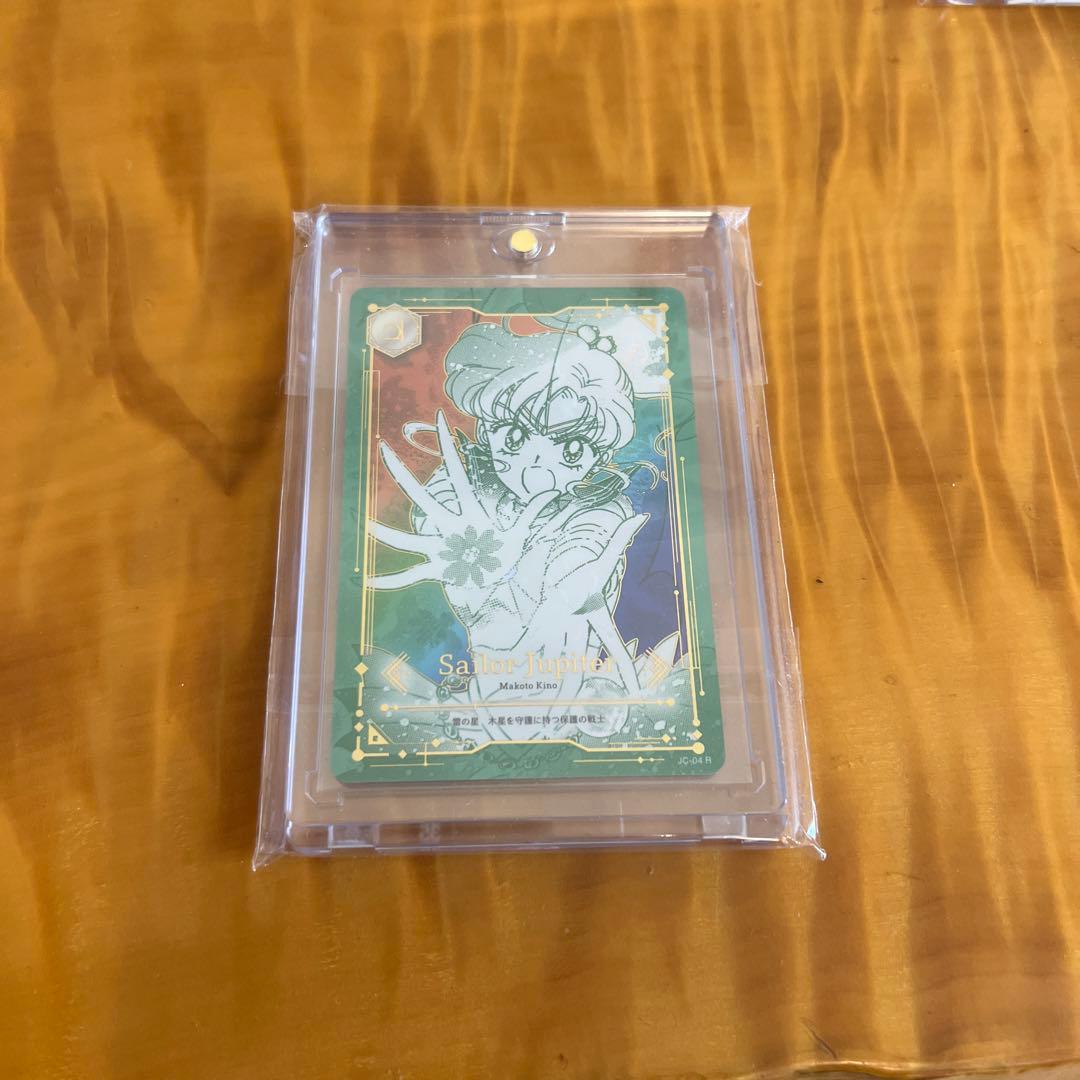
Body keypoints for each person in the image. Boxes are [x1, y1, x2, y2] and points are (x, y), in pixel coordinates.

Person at [369, 318, 652, 740]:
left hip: (563, 695)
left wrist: (567, 580)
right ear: (487, 430)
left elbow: (586, 549)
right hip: (488, 693)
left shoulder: (598, 507)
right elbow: (439, 509)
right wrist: (469, 557)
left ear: (598, 457)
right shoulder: (466, 486)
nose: (537, 464)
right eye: (516, 437)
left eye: (572, 449)